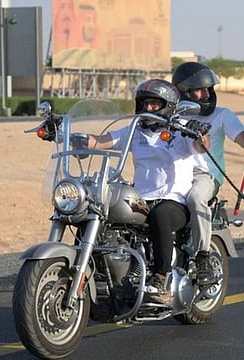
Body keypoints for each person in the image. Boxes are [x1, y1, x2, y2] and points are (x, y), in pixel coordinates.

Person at [81, 79, 210, 303]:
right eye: (145, 103)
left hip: (173, 201)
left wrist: (199, 133)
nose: (148, 109)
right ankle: (112, 274)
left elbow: (201, 147)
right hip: (141, 200)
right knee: (104, 212)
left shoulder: (181, 130)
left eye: (154, 104)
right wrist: (72, 136)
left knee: (161, 216)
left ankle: (162, 279)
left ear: (168, 105)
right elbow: (102, 141)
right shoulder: (134, 130)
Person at [172, 62, 244, 284]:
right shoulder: (173, 115)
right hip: (175, 172)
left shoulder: (222, 115)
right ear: (184, 92)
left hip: (206, 175)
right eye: (200, 90)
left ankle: (203, 257)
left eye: (209, 89)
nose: (206, 94)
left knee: (196, 197)